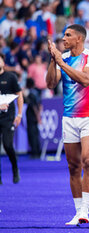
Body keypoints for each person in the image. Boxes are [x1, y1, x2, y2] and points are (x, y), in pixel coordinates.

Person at [46, 24, 89, 225]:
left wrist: (61, 62)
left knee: (88, 161)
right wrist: (53, 61)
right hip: (69, 117)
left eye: (68, 35)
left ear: (79, 38)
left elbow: (86, 80)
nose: (64, 38)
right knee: (73, 166)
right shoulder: (64, 58)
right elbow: (51, 84)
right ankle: (78, 210)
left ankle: (85, 210)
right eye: (63, 35)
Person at [0, 52, 23, 185]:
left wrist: (19, 114)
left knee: (8, 145)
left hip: (8, 118)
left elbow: (19, 95)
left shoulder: (10, 77)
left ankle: (15, 168)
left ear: (3, 62)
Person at [24, 78, 42, 159]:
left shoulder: (31, 94)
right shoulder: (36, 93)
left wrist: (37, 117)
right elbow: (40, 105)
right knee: (35, 134)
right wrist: (39, 115)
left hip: (32, 117)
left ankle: (35, 153)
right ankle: (37, 152)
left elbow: (34, 106)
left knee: (32, 135)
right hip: (35, 116)